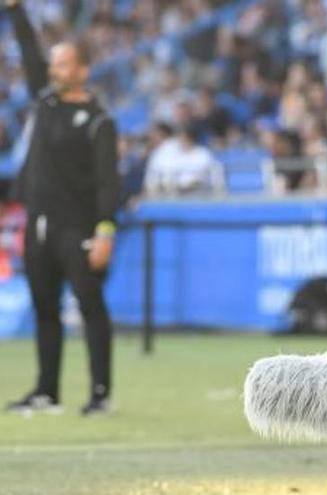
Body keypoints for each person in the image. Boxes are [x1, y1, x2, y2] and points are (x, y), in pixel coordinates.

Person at [4, 0, 121, 416]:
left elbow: (110, 181)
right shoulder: (47, 103)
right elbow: (31, 58)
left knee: (90, 307)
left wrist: (105, 229)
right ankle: (46, 391)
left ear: (83, 71)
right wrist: (16, 11)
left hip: (80, 227)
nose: (55, 70)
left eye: (65, 64)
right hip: (38, 225)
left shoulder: (97, 121)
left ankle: (101, 393)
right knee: (44, 309)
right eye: (55, 64)